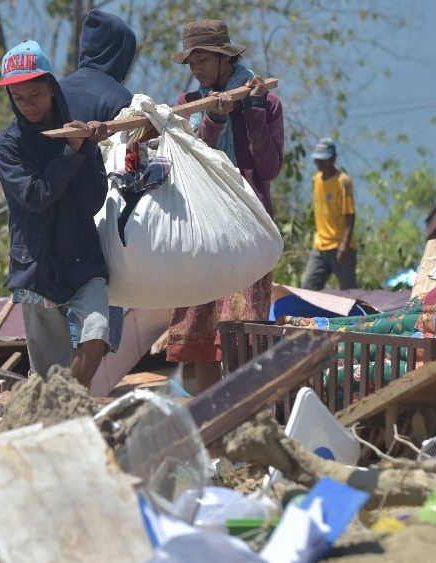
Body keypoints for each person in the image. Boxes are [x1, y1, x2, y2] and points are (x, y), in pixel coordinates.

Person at [166, 20, 284, 391]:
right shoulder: (187, 107)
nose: (196, 70)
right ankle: (209, 417)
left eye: (202, 60)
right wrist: (213, 122)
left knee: (242, 333)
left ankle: (241, 413)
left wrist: (251, 112)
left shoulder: (265, 101)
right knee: (201, 334)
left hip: (249, 228)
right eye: (192, 63)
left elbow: (269, 168)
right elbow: (187, 166)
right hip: (203, 230)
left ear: (223, 58)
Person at [0, 40, 111, 387]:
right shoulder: (9, 146)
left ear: (52, 90)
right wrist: (71, 154)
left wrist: (86, 149)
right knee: (48, 372)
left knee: (96, 335)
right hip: (36, 267)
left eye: (36, 95)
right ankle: (59, 416)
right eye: (19, 98)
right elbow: (34, 195)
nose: (28, 105)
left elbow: (94, 200)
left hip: (82, 259)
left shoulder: (78, 133)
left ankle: (71, 404)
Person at [58, 8, 138, 356]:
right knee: (94, 329)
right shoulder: (120, 99)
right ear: (120, 53)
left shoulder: (54, 91)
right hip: (97, 220)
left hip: (49, 218)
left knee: (58, 327)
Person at [301, 138, 357, 291]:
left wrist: (344, 244)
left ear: (333, 159)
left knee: (349, 292)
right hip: (320, 246)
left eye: (323, 160)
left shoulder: (343, 181)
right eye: (317, 161)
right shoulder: (316, 179)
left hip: (340, 246)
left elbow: (350, 215)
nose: (320, 165)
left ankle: (359, 316)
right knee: (308, 287)